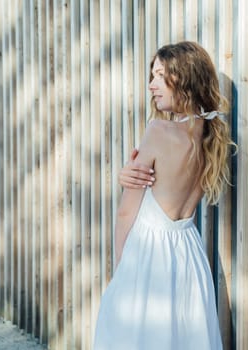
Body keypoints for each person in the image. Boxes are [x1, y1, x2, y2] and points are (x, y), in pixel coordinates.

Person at [93, 41, 235, 350]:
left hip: (149, 253)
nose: (151, 86)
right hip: (189, 253)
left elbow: (125, 212)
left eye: (160, 75)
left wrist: (122, 268)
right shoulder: (212, 137)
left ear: (183, 78)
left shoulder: (157, 131)